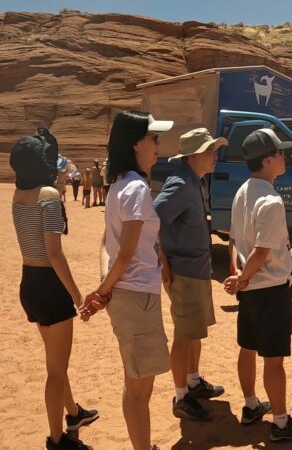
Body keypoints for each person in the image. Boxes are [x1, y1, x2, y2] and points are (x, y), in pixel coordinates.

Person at [79, 110, 174, 450]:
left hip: (129, 295)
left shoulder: (120, 185)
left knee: (135, 384)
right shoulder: (135, 188)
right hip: (137, 298)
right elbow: (125, 253)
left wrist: (104, 289)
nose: (158, 146)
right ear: (136, 143)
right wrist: (102, 291)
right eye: (153, 139)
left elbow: (107, 243)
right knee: (138, 391)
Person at [223, 128, 292, 443]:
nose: (285, 157)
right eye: (281, 153)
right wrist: (244, 277)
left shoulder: (242, 192)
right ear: (268, 160)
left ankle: (251, 405)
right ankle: (279, 422)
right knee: (273, 360)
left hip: (250, 291)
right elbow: (262, 251)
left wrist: (237, 276)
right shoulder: (271, 201)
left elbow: (235, 241)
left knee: (247, 347)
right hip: (271, 290)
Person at [11, 130, 100, 450]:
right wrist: (77, 296)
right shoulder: (47, 195)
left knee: (55, 362)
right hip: (49, 285)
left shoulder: (18, 195)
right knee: (56, 370)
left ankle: (74, 413)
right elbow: (54, 253)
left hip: (28, 282)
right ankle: (56, 439)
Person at [153, 128, 228, 422]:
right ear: (194, 156)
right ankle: (181, 396)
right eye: (211, 151)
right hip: (183, 273)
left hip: (196, 271)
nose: (215, 156)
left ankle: (193, 381)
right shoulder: (181, 184)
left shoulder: (195, 181)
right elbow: (151, 218)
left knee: (195, 332)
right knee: (184, 337)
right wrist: (163, 259)